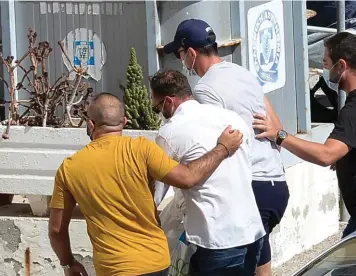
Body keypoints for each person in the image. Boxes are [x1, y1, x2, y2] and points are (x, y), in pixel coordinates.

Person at [48, 92, 243, 276]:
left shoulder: (69, 168)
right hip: (155, 262)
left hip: (114, 268)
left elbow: (56, 230)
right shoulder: (142, 149)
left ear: (91, 125)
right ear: (124, 122)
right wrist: (223, 148)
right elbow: (188, 177)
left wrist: (68, 263)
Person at [162, 18, 289, 276]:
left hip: (252, 185)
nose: (181, 61)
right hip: (276, 182)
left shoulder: (205, 89)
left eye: (179, 54)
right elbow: (276, 125)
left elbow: (224, 138)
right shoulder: (243, 73)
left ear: (192, 53)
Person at [253, 32, 356, 238]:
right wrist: (347, 155)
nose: (324, 70)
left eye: (326, 63)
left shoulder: (354, 109)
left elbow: (326, 155)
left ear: (341, 65)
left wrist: (279, 135)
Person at [150, 69, 265, 276]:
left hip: (215, 238)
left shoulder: (170, 133)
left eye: (157, 108)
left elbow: (155, 194)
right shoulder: (232, 118)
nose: (159, 113)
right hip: (251, 230)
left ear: (168, 101)